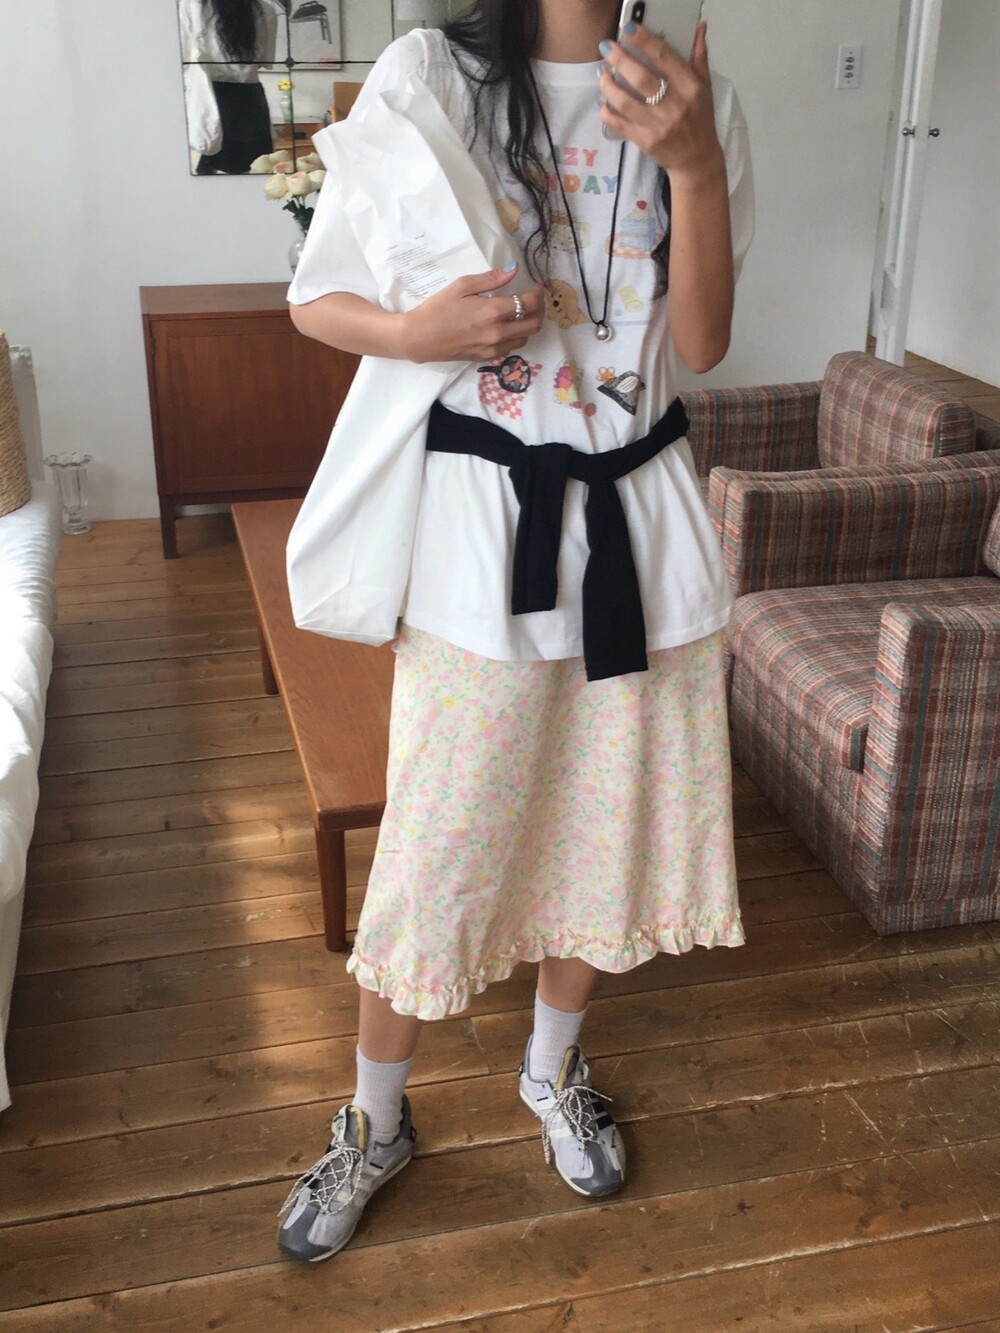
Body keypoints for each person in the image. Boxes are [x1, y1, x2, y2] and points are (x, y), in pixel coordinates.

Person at [277, 0, 754, 1263]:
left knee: (601, 825)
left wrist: (696, 165)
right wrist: (412, 333)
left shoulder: (689, 94)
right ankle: (376, 1120)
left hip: (640, 530)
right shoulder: (431, 74)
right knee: (434, 842)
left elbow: (700, 343)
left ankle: (550, 1068)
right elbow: (318, 297)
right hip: (482, 531)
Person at [179, 0, 281, 174]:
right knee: (256, 175)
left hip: (209, 96)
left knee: (206, 179)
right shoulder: (266, 8)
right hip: (249, 100)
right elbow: (264, 60)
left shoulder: (190, 5)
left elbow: (183, 56)